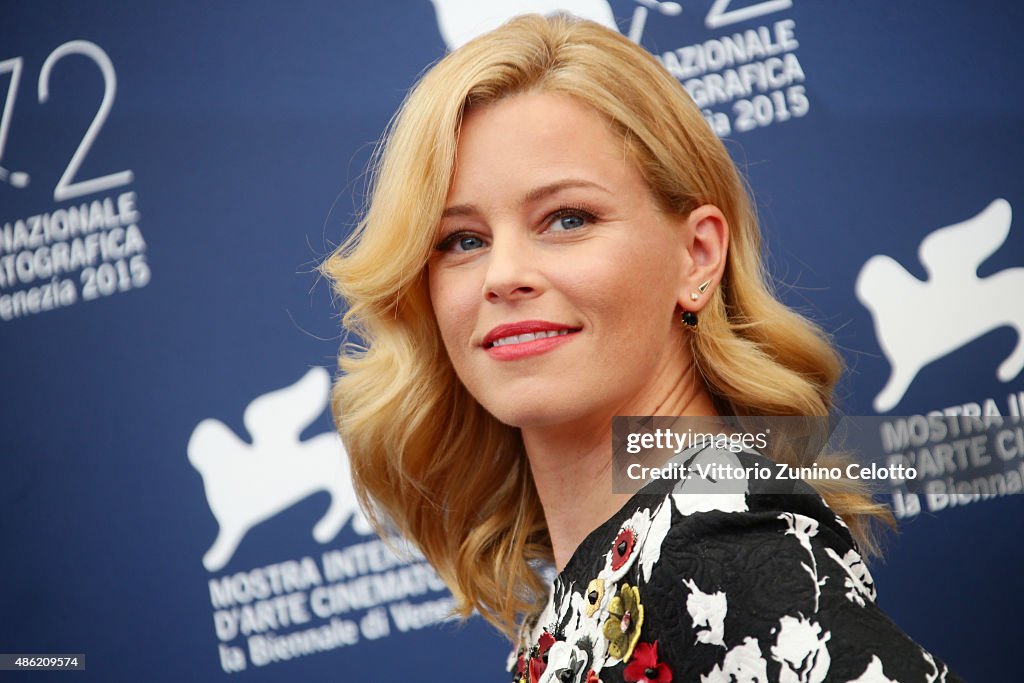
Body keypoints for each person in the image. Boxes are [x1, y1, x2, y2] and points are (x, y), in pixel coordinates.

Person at [321, 13, 962, 683]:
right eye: (462, 240)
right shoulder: (620, 568)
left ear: (698, 255)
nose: (503, 273)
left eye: (567, 219)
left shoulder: (718, 553)